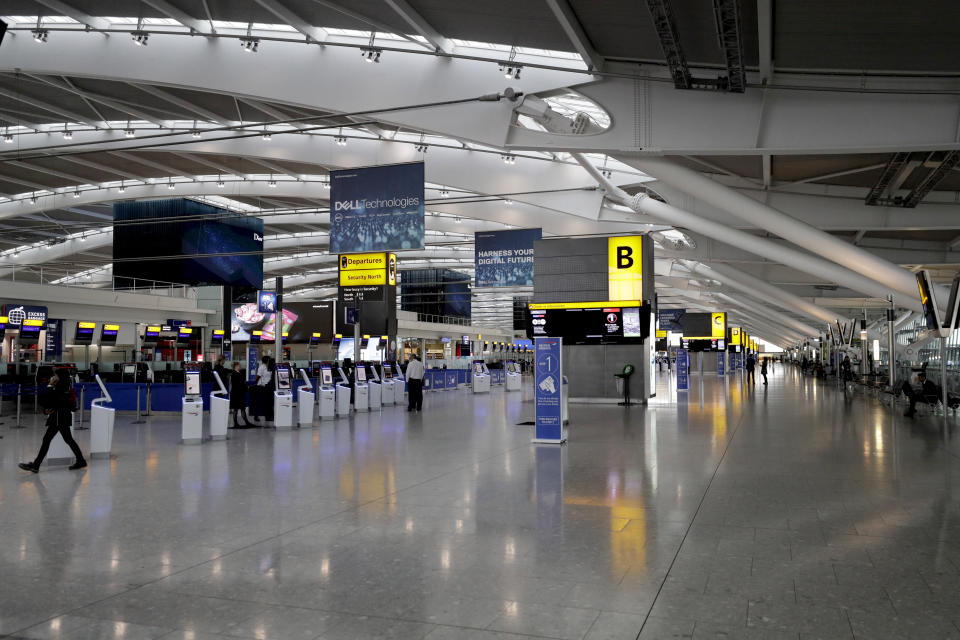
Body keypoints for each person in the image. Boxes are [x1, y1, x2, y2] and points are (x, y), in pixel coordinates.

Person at [19, 368, 86, 473]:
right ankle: (81, 460)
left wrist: (50, 385)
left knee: (54, 440)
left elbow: (52, 401)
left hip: (60, 418)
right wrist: (46, 410)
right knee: (60, 439)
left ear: (61, 377)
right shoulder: (63, 387)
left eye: (56, 375)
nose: (54, 377)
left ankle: (36, 465)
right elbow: (50, 402)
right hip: (58, 417)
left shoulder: (62, 388)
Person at [228, 362, 252, 429]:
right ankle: (241, 422)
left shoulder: (235, 373)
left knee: (239, 408)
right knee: (239, 408)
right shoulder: (235, 374)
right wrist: (246, 387)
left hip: (237, 393)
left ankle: (241, 422)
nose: (240, 366)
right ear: (236, 366)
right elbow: (239, 384)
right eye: (239, 365)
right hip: (237, 394)